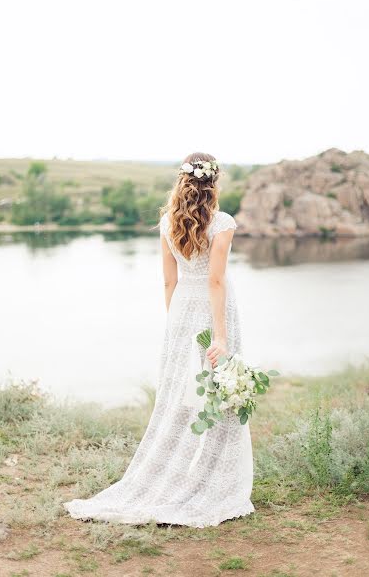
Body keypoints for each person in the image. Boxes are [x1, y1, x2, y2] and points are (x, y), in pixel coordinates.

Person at [63, 152, 254, 528]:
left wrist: (178, 328)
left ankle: (188, 477)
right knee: (218, 391)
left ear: (183, 182)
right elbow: (215, 281)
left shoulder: (168, 222)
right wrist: (220, 335)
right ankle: (211, 483)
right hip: (213, 310)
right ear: (213, 183)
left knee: (183, 396)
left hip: (182, 310)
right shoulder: (224, 223)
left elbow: (170, 281)